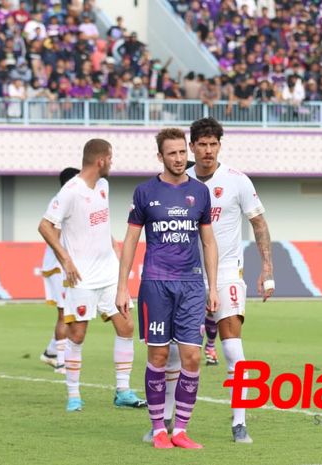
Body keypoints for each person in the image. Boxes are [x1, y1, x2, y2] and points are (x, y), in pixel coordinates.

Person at [116, 128, 219, 449]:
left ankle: (181, 430)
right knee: (159, 355)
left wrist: (212, 287)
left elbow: (208, 240)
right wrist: (123, 287)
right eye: (171, 153)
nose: (178, 159)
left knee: (191, 357)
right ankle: (159, 428)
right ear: (160, 156)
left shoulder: (201, 192)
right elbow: (131, 239)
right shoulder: (145, 192)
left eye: (180, 153)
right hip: (155, 284)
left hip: (191, 284)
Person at [38, 139, 146, 411]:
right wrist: (66, 259)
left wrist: (115, 251)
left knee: (126, 326)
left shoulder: (103, 187)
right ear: (101, 160)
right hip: (83, 277)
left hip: (109, 274)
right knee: (77, 334)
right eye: (111, 158)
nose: (112, 163)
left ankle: (123, 390)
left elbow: (96, 225)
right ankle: (74, 395)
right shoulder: (70, 191)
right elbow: (45, 226)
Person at [185, 117, 274, 443]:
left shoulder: (237, 180)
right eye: (202, 144)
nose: (208, 150)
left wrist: (267, 267)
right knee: (176, 354)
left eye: (213, 144)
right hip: (187, 276)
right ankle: (167, 421)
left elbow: (259, 223)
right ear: (192, 146)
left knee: (234, 350)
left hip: (227, 273)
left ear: (220, 146)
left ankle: (239, 423)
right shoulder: (179, 182)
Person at [39, 167, 80, 374]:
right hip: (58, 266)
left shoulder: (75, 202)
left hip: (66, 265)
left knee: (71, 312)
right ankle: (62, 362)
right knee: (65, 313)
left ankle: (51, 352)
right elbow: (50, 231)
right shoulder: (60, 201)